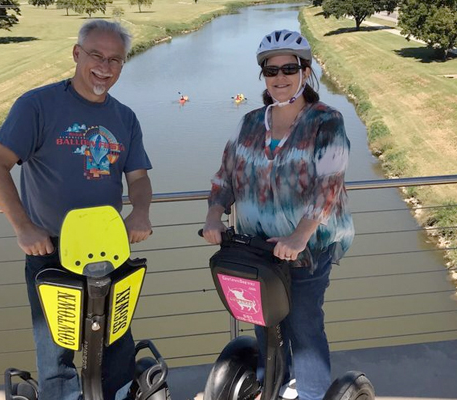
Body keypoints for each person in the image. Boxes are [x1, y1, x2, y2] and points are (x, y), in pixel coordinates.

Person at [0, 19, 153, 400]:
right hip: (51, 251)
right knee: (55, 354)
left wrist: (140, 213)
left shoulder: (124, 117)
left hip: (111, 250)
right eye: (96, 55)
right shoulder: (37, 105)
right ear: (77, 54)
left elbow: (138, 178)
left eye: (116, 60)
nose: (105, 67)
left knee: (117, 345)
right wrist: (22, 226)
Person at [202, 29, 354, 400]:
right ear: (263, 77)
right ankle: (274, 386)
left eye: (289, 68)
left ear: (306, 71)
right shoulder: (251, 122)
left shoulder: (325, 121)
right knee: (263, 324)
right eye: (271, 71)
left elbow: (328, 185)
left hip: (305, 251)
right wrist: (214, 214)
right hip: (254, 249)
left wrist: (300, 234)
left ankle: (312, 394)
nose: (280, 78)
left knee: (303, 328)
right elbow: (226, 174)